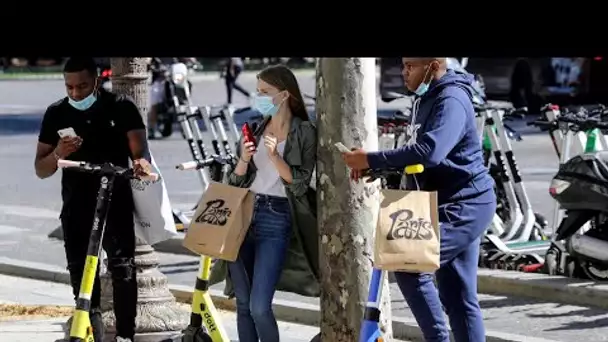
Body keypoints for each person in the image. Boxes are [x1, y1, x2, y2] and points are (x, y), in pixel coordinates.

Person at [343, 57, 496, 342]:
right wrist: (377, 168)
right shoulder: (423, 99)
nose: (404, 72)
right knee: (459, 298)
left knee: (406, 263)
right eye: (403, 65)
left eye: (411, 66)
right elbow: (417, 156)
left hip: (465, 204)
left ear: (434, 64)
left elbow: (431, 151)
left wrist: (372, 158)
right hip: (437, 203)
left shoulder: (451, 99)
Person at [34, 57, 152, 342]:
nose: (76, 93)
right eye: (69, 87)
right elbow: (41, 169)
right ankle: (90, 329)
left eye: (82, 86)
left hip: (115, 201)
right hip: (76, 204)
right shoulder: (56, 113)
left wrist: (140, 165)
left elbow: (141, 153)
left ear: (97, 81)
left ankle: (125, 335)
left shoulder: (120, 107)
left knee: (123, 268)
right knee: (81, 271)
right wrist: (59, 152)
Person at [209, 65, 320, 342]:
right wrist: (244, 160)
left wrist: (274, 156)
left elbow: (299, 184)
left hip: (276, 217)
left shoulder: (304, 131)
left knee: (259, 306)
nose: (257, 97)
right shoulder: (255, 128)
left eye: (264, 92)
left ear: (284, 95)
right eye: (257, 91)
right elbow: (235, 185)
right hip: (244, 215)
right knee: (243, 305)